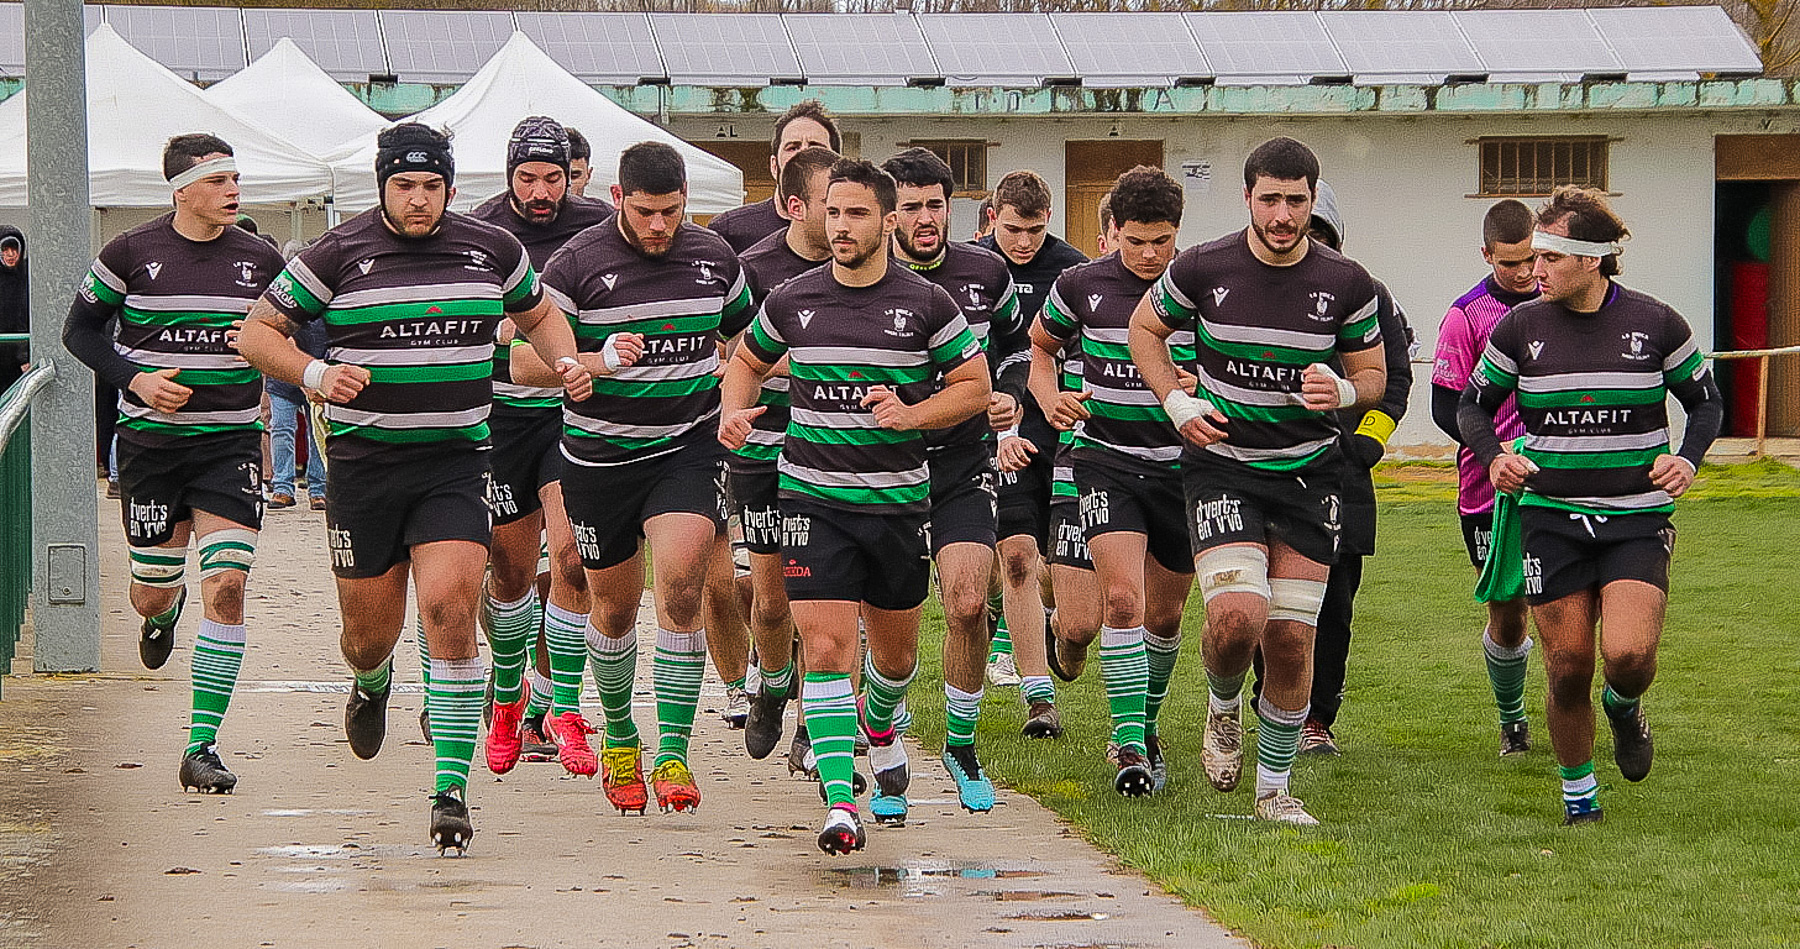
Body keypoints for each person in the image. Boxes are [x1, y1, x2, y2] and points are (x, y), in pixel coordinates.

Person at [238, 123, 590, 854]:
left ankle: (450, 789)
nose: (419, 199)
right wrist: (313, 373)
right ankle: (370, 683)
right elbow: (255, 333)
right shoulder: (338, 252)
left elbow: (540, 313)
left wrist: (565, 364)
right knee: (370, 633)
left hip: (456, 463)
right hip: (366, 470)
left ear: (452, 188)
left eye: (432, 186)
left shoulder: (490, 248)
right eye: (405, 186)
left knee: (450, 607)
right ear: (382, 186)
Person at [720, 158, 988, 855]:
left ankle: (881, 720)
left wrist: (913, 413)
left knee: (894, 661)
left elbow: (975, 386)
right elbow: (746, 359)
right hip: (811, 499)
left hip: (897, 506)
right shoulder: (794, 300)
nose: (841, 226)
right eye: (832, 213)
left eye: (857, 214)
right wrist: (732, 411)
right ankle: (841, 801)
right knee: (830, 649)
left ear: (888, 220)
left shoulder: (927, 304)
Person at [1129, 137, 1387, 826]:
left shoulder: (1348, 281)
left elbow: (1375, 377)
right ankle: (1221, 705)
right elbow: (1143, 329)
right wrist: (1175, 401)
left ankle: (1274, 789)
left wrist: (1342, 387)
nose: (1282, 213)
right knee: (1238, 616)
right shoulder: (1204, 265)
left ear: (1312, 200)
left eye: (1296, 200)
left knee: (1292, 639)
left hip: (1310, 474)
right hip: (1224, 468)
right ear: (1247, 197)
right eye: (1269, 198)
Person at [1459, 186, 1722, 826]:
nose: (1534, 270)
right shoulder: (1520, 327)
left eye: (1549, 257)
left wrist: (1686, 457)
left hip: (1635, 515)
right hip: (1550, 518)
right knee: (1569, 663)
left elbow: (1707, 402)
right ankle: (1581, 797)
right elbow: (1471, 406)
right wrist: (1496, 456)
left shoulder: (1658, 324)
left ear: (1592, 260)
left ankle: (1626, 705)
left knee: (1628, 657)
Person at [514, 141, 751, 817]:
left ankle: (673, 748)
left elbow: (748, 341)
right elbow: (521, 362)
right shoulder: (578, 262)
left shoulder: (712, 257)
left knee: (680, 581)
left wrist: (731, 383)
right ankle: (620, 735)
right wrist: (591, 361)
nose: (659, 227)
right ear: (618, 198)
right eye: (646, 212)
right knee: (612, 607)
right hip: (598, 458)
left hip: (687, 447)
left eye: (672, 212)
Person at [60, 134, 287, 795]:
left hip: (229, 446)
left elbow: (292, 328)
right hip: (152, 449)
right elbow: (79, 332)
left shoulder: (262, 257)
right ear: (182, 190)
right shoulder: (129, 252)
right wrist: (135, 379)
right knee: (152, 589)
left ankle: (202, 743)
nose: (233, 190)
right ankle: (163, 611)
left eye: (237, 178)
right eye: (219, 180)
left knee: (229, 584)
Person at [465, 117, 618, 779]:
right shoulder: (480, 228)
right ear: (508, 175)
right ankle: (507, 692)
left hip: (568, 410)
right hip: (499, 415)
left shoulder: (591, 229)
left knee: (574, 559)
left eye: (553, 177)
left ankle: (560, 704)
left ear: (571, 173)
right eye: (527, 177)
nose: (541, 190)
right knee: (508, 572)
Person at [1031, 166, 1192, 796]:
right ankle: (1128, 744)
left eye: (1162, 242)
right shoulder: (1081, 285)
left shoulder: (1201, 284)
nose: (1150, 256)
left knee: (1166, 615)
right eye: (1136, 242)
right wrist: (1049, 400)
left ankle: (1145, 721)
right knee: (1120, 600)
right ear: (1112, 233)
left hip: (1184, 469)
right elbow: (1043, 351)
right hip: (1106, 461)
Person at [1248, 180, 1416, 757]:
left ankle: (1318, 719)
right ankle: (1267, 705)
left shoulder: (1366, 293)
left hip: (1338, 472)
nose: (1301, 238)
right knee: (1258, 594)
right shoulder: (1243, 284)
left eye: (1318, 231)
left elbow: (1394, 380)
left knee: (1334, 602)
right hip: (1259, 464)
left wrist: (1367, 441)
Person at [882, 147, 1026, 819]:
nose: (924, 217)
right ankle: (881, 728)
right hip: (880, 469)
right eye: (909, 206)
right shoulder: (864, 278)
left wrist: (1011, 398)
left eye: (934, 204)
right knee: (888, 628)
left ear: (953, 207)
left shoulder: (987, 272)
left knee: (969, 603)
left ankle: (961, 745)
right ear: (889, 214)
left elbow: (1023, 354)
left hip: (964, 465)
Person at [734, 145, 838, 764]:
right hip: (765, 447)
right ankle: (773, 687)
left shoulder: (874, 268)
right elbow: (730, 358)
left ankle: (818, 722)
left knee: (830, 593)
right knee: (772, 602)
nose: (848, 220)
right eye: (833, 206)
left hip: (838, 454)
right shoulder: (751, 269)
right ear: (797, 207)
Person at [1432, 198, 1539, 757]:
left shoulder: (1561, 300)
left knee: (1567, 604)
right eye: (1509, 264)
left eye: (1531, 260)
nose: (1524, 274)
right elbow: (1442, 406)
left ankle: (1583, 704)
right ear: (1486, 255)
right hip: (1487, 490)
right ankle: (1512, 718)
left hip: (1561, 485)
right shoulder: (1466, 316)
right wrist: (1496, 450)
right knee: (1510, 606)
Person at [976, 170, 1086, 696]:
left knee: (1048, 559)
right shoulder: (972, 268)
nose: (1024, 243)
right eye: (1014, 229)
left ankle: (1045, 627)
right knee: (1016, 555)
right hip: (995, 429)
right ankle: (1036, 694)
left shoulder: (1072, 271)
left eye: (1036, 231)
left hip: (1059, 431)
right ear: (992, 217)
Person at [707, 100, 840, 253]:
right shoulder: (730, 230)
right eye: (793, 147)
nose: (803, 154)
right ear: (774, 165)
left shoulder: (854, 232)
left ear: (838, 166)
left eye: (815, 147)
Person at [264, 316, 328, 511]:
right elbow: (278, 340)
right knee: (281, 429)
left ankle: (319, 490)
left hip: (321, 373)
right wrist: (306, 379)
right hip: (283, 375)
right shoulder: (285, 303)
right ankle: (282, 488)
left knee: (317, 433)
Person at [0, 226, 26, 393]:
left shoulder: (28, 276)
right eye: (5, 249)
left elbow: (26, 318)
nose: (11, 254)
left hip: (19, 361)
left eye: (14, 249)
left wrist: (25, 356)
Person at [565, 127, 593, 198]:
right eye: (554, 178)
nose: (567, 186)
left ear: (588, 176)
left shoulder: (602, 208)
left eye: (574, 176)